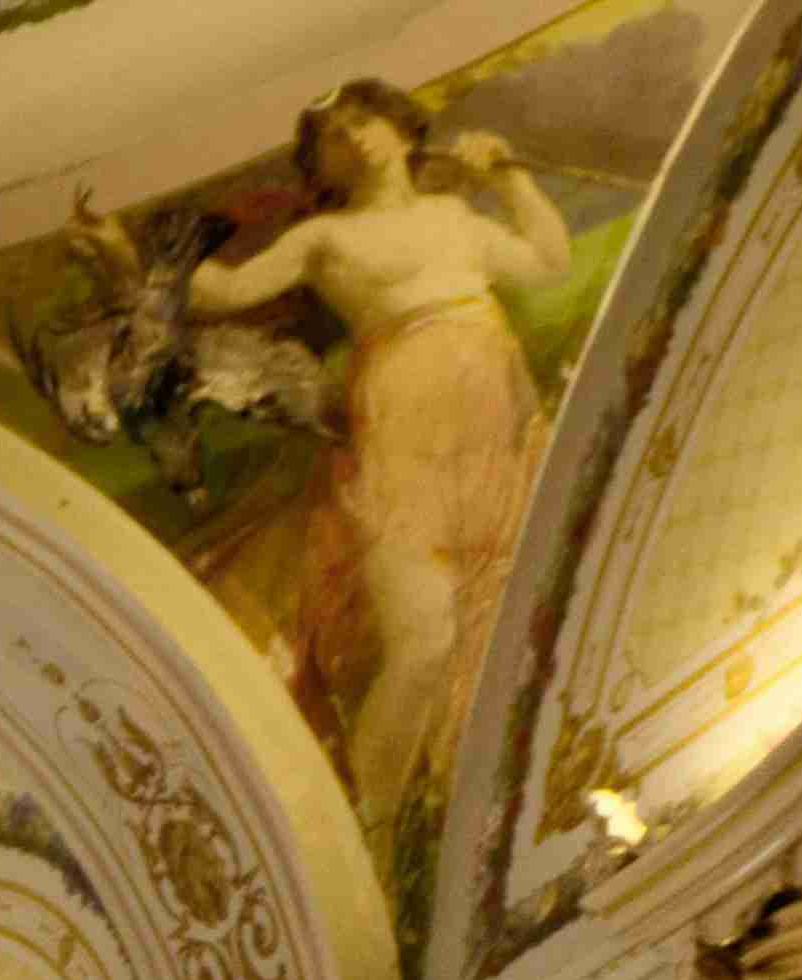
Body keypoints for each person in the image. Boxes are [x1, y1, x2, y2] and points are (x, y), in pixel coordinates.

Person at [181, 82, 578, 843]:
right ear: (319, 166)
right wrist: (145, 260)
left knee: (514, 614)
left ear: (400, 129)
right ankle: (371, 836)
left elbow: (547, 263)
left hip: (494, 409)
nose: (353, 138)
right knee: (422, 640)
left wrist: (507, 177)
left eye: (362, 120)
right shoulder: (322, 237)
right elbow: (227, 290)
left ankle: (501, 796)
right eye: (331, 135)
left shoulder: (452, 217)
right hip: (401, 421)